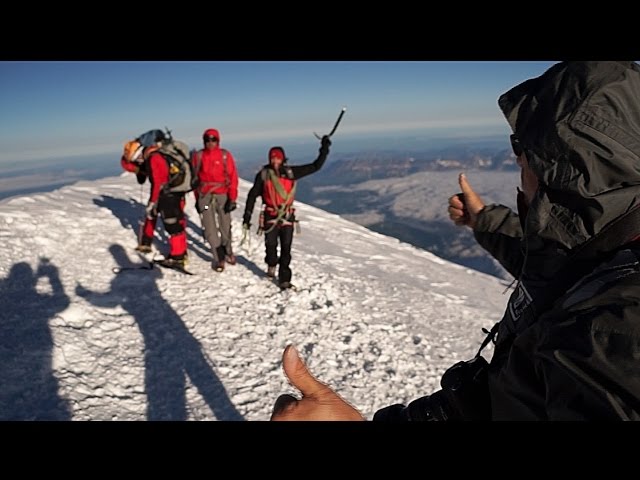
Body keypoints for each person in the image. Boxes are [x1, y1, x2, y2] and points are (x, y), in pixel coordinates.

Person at [271, 61, 640, 421]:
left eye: (522, 152)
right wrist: (483, 219)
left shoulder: (607, 335)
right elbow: (552, 265)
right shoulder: (602, 256)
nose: (517, 164)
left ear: (560, 167)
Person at [243, 135, 331, 289]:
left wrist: (324, 148)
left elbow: (316, 166)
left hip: (287, 216)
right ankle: (271, 263)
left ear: (283, 159)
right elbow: (252, 195)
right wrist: (247, 215)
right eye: (272, 158)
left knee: (286, 248)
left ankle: (284, 278)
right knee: (271, 246)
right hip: (271, 215)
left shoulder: (291, 173)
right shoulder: (264, 175)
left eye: (277, 158)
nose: (274, 161)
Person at [123, 130, 188, 267]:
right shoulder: (159, 155)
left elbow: (159, 182)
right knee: (175, 223)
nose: (139, 161)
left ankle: (177, 257)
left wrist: (153, 202)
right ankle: (180, 254)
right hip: (173, 193)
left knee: (172, 224)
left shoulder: (154, 158)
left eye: (138, 158)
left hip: (167, 195)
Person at [191, 128, 239, 272]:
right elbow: (195, 180)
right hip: (205, 197)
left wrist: (232, 198)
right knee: (210, 229)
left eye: (213, 140)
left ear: (218, 141)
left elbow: (232, 177)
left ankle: (228, 250)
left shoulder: (225, 156)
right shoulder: (198, 156)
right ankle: (219, 258)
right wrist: (197, 199)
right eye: (207, 140)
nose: (210, 143)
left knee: (225, 226)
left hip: (223, 196)